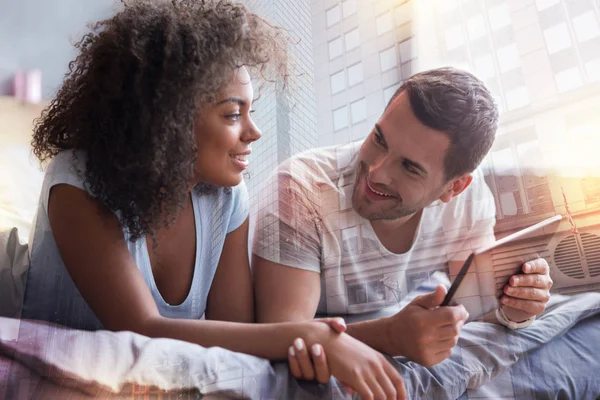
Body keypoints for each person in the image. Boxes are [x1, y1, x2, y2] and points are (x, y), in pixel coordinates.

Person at [21, 1, 406, 398]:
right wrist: (312, 335)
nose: (254, 132)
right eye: (232, 115)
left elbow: (236, 338)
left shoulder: (226, 199)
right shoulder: (78, 181)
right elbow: (141, 330)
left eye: (250, 111)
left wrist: (318, 340)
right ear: (167, 116)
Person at [252, 67, 554, 372]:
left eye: (409, 167)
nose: (376, 172)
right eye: (379, 139)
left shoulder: (469, 201)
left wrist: (516, 307)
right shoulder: (301, 190)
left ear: (454, 187)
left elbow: (475, 307)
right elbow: (282, 340)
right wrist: (388, 336)